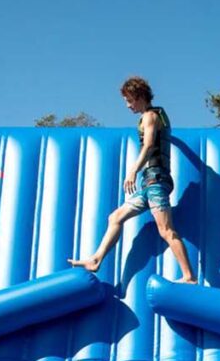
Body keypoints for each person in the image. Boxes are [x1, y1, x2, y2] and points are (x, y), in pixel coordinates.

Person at [69, 77, 197, 283]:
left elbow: (148, 146)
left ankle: (189, 276)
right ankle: (96, 259)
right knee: (115, 217)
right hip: (148, 184)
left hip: (156, 181)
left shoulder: (150, 116)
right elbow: (161, 140)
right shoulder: (159, 117)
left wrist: (132, 172)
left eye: (130, 101)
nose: (128, 106)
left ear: (140, 97)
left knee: (165, 230)